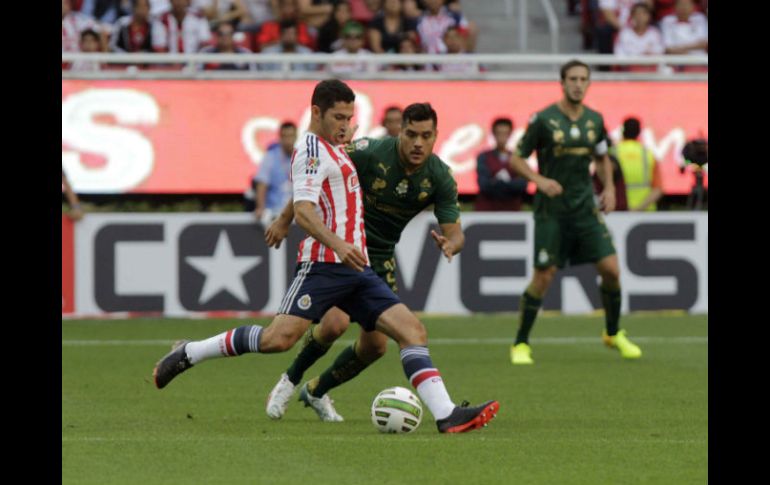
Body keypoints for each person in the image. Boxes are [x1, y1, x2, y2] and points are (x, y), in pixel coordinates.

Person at [153, 80, 499, 434]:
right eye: (338, 116)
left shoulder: (338, 147)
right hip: (325, 264)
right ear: (316, 112)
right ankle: (189, 352)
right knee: (278, 340)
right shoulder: (311, 151)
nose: (345, 124)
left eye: (349, 117)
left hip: (358, 266)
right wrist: (331, 240)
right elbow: (305, 210)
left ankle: (447, 415)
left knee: (412, 332)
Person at [263, 101, 467, 422]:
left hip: (379, 259)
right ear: (400, 131)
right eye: (411, 134)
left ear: (436, 136)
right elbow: (311, 178)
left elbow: (454, 231)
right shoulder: (370, 152)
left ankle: (316, 390)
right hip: (339, 250)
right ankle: (290, 379)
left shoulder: (440, 176)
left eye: (426, 136)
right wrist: (285, 220)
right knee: (334, 324)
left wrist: (451, 245)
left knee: (375, 347)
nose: (417, 143)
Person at [507, 59, 643, 365]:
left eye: (583, 79)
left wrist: (608, 187)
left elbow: (602, 157)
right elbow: (517, 159)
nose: (578, 84)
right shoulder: (542, 119)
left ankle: (613, 332)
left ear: (589, 83)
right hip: (551, 211)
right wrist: (539, 180)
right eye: (573, 78)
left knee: (611, 270)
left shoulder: (595, 120)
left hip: (584, 209)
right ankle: (521, 343)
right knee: (544, 277)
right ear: (562, 82)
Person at [243, 121, 296, 224]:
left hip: (296, 213)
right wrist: (260, 208)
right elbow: (262, 183)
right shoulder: (270, 157)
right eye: (285, 136)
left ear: (296, 136)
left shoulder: (302, 157)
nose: (288, 140)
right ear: (280, 138)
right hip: (274, 213)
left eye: (291, 136)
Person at [474, 117, 527, 211]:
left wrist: (496, 183)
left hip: (512, 213)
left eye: (505, 133)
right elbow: (484, 185)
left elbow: (522, 185)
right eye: (499, 133)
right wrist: (508, 185)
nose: (502, 137)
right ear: (493, 134)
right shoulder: (484, 157)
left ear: (510, 134)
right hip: (487, 212)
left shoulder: (518, 158)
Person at [611, 117, 661, 211]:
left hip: (617, 211)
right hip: (645, 213)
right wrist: (638, 209)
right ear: (639, 133)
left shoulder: (613, 153)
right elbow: (658, 190)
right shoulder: (649, 155)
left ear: (622, 132)